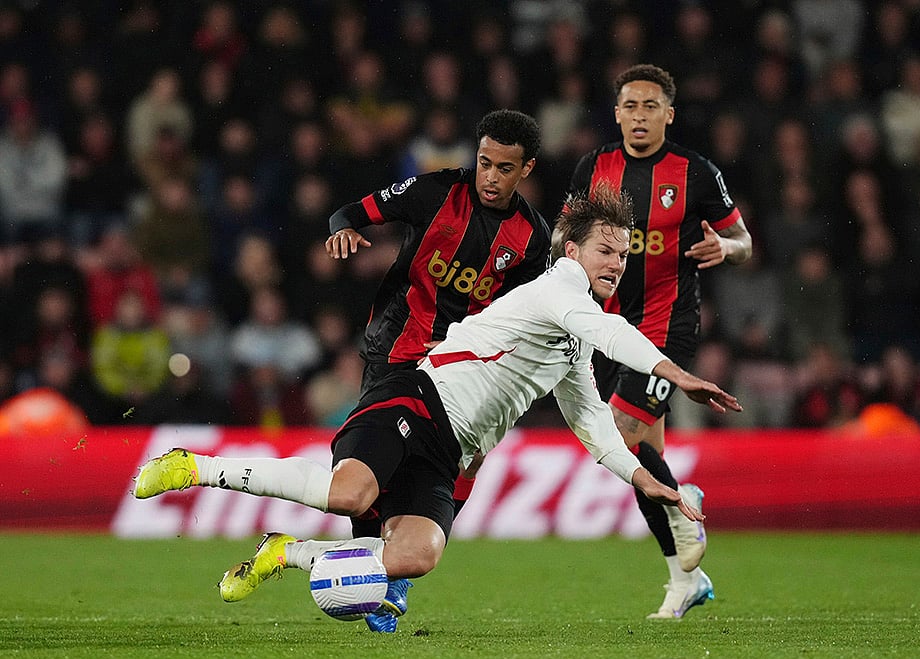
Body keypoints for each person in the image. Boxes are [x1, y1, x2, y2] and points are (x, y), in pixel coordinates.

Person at [132, 184, 742, 627]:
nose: (618, 263)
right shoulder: (561, 288)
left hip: (449, 451)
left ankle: (287, 552)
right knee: (351, 495)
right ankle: (196, 466)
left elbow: (591, 425)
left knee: (416, 556)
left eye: (625, 254)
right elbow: (615, 336)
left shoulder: (578, 332)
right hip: (417, 398)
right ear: (573, 252)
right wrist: (676, 374)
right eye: (606, 251)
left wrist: (645, 479)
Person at [322, 109, 552, 631]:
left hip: (461, 370)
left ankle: (392, 574)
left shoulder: (533, 240)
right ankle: (370, 578)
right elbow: (348, 213)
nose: (490, 177)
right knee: (367, 473)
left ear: (527, 169)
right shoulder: (434, 192)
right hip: (393, 353)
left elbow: (534, 311)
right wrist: (342, 233)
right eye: (484, 163)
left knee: (461, 466)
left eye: (504, 168)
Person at [568, 63, 753, 619]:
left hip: (667, 329)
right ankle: (683, 579)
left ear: (668, 114)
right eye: (630, 105)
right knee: (643, 460)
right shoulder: (594, 167)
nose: (639, 116)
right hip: (607, 328)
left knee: (620, 433)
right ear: (617, 112)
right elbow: (567, 237)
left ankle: (686, 504)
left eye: (651, 106)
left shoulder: (695, 172)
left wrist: (728, 250)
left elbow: (743, 239)